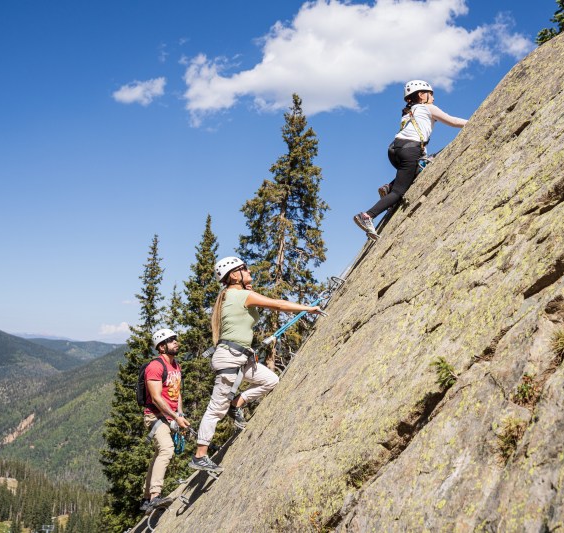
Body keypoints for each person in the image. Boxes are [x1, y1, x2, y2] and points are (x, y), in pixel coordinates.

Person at [188, 256, 323, 472]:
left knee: (270, 380)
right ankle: (199, 455)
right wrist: (307, 308)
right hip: (231, 357)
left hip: (239, 356)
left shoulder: (231, 296)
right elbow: (277, 304)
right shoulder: (241, 295)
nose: (249, 270)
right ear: (234, 274)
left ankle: (236, 404)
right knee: (215, 410)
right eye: (244, 268)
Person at [354, 80, 468, 239]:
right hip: (410, 150)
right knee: (399, 192)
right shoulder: (428, 108)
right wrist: (474, 121)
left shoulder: (409, 111)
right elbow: (453, 121)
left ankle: (389, 187)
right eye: (431, 94)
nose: (433, 98)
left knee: (415, 171)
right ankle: (367, 216)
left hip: (394, 150)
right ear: (421, 95)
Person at [140, 328, 190, 513]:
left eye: (175, 339)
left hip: (169, 416)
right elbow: (156, 398)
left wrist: (180, 414)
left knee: (158, 455)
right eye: (171, 340)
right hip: (154, 416)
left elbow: (176, 392)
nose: (176, 342)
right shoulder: (155, 366)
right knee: (167, 449)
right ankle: (154, 497)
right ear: (161, 347)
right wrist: (175, 416)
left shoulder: (175, 365)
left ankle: (146, 499)